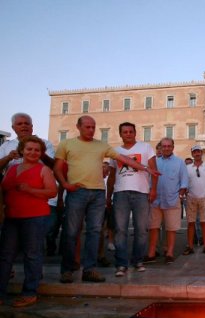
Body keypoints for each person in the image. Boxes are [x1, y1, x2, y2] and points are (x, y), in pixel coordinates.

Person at [54, 115, 159, 284]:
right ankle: (67, 270)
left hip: (97, 194)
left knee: (95, 233)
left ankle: (90, 269)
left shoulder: (102, 145)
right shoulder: (66, 144)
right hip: (78, 192)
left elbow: (124, 159)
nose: (91, 130)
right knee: (71, 232)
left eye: (93, 127)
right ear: (78, 127)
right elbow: (57, 167)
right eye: (87, 127)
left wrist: (146, 169)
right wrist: (65, 184)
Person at [0, 137, 57, 307]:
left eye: (37, 150)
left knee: (32, 255)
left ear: (41, 153)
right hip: (11, 217)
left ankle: (29, 292)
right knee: (5, 256)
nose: (33, 153)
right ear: (22, 150)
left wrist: (30, 189)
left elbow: (52, 192)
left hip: (35, 217)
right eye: (29, 149)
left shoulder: (44, 170)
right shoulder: (12, 169)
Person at [106, 122, 157, 277]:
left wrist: (153, 189)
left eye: (130, 131)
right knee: (120, 230)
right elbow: (112, 176)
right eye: (125, 132)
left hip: (141, 193)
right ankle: (121, 264)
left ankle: (138, 260)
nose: (128, 134)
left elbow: (154, 171)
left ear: (135, 133)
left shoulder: (146, 148)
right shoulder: (115, 151)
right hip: (120, 193)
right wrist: (109, 195)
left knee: (141, 229)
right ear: (120, 134)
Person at [144, 137, 187, 264]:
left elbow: (184, 181)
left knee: (171, 228)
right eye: (164, 146)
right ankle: (151, 253)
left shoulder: (180, 162)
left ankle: (169, 253)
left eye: (169, 146)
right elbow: (148, 179)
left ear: (173, 147)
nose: (166, 148)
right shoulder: (154, 162)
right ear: (161, 148)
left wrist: (180, 195)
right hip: (155, 200)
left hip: (172, 199)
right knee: (153, 227)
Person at [183, 144, 205, 256]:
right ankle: (190, 246)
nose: (197, 154)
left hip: (204, 198)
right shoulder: (187, 168)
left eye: (198, 152)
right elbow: (184, 181)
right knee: (191, 223)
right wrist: (186, 191)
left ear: (201, 153)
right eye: (195, 152)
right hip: (191, 198)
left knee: (204, 223)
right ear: (192, 154)